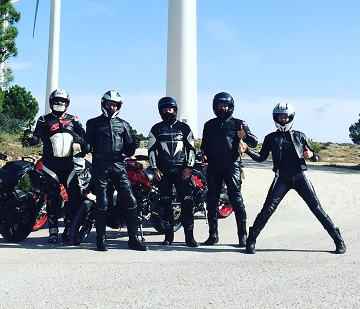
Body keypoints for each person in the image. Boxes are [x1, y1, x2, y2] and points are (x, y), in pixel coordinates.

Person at [244, 103, 346, 255]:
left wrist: (311, 155)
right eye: (280, 117)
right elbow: (261, 157)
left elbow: (314, 156)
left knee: (317, 208)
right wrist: (247, 150)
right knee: (267, 209)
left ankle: (338, 240)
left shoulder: (300, 136)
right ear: (275, 118)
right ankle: (251, 240)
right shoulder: (270, 138)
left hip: (300, 177)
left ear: (291, 118)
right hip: (282, 178)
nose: (283, 120)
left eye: (286, 117)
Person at [25, 89, 90, 244]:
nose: (60, 104)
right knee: (53, 197)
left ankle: (69, 228)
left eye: (63, 101)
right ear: (51, 102)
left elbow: (86, 141)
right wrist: (28, 136)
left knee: (74, 196)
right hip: (50, 165)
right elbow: (35, 139)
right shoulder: (43, 120)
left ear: (67, 104)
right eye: (57, 101)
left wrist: (79, 140)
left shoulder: (73, 119)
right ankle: (53, 231)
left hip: (68, 164)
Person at [85, 90, 147, 252]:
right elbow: (87, 143)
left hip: (119, 165)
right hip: (100, 166)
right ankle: (100, 239)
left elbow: (129, 152)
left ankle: (133, 239)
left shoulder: (124, 125)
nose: (111, 107)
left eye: (114, 105)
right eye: (109, 104)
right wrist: (83, 143)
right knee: (103, 202)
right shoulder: (93, 123)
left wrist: (132, 145)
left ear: (119, 106)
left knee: (131, 201)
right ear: (103, 104)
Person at [200, 91, 258, 247]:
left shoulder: (239, 123)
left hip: (232, 165)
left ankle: (243, 236)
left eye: (226, 106)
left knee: (236, 199)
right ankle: (213, 235)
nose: (223, 108)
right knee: (211, 200)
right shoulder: (209, 125)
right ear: (215, 106)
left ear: (231, 107)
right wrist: (202, 154)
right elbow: (204, 145)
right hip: (213, 166)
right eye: (220, 105)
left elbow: (254, 142)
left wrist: (245, 136)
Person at [147, 96, 198, 247]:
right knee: (165, 204)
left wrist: (189, 167)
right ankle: (168, 237)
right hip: (164, 173)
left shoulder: (184, 128)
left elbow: (192, 149)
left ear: (175, 110)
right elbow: (151, 150)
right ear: (160, 111)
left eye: (171, 109)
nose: (168, 111)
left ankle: (190, 238)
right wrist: (155, 168)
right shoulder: (156, 129)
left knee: (187, 203)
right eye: (165, 109)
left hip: (182, 172)